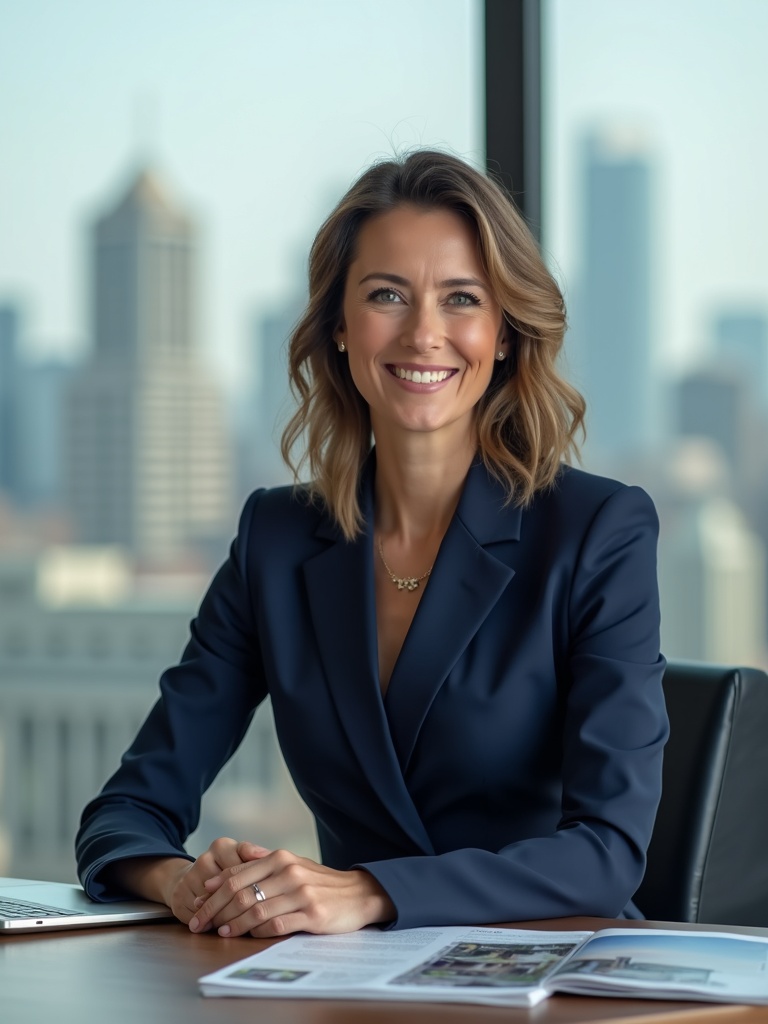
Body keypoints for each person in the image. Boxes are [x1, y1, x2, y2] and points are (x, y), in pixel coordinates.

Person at [76, 149, 668, 939]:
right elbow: (126, 811)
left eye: (461, 299)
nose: (424, 333)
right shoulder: (276, 539)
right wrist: (185, 883)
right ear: (341, 330)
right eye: (387, 295)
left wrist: (369, 893)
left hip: (551, 974)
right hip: (359, 987)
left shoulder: (598, 529)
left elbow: (606, 855)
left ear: (503, 335)